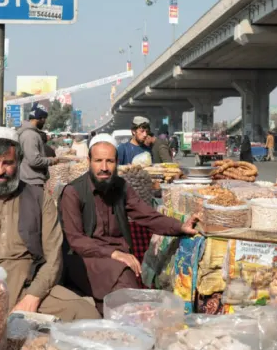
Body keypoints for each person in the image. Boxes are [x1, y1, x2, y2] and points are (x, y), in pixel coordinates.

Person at [0, 127, 99, 320]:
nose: (0, 171)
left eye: (8, 163)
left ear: (19, 162)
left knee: (86, 313)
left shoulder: (40, 199)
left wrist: (32, 297)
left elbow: (53, 258)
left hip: (30, 286)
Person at [59, 134, 200, 313]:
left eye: (109, 161)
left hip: (120, 259)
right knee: (123, 280)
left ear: (117, 162)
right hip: (86, 259)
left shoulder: (121, 187)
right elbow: (76, 240)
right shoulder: (73, 192)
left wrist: (179, 226)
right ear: (89, 161)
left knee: (125, 281)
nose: (104, 167)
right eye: (98, 161)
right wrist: (114, 253)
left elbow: (147, 215)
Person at [18, 103, 60, 186]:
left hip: (31, 181)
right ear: (40, 118)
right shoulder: (30, 135)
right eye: (44, 119)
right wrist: (51, 160)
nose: (44, 122)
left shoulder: (30, 133)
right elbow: (34, 161)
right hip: (32, 182)